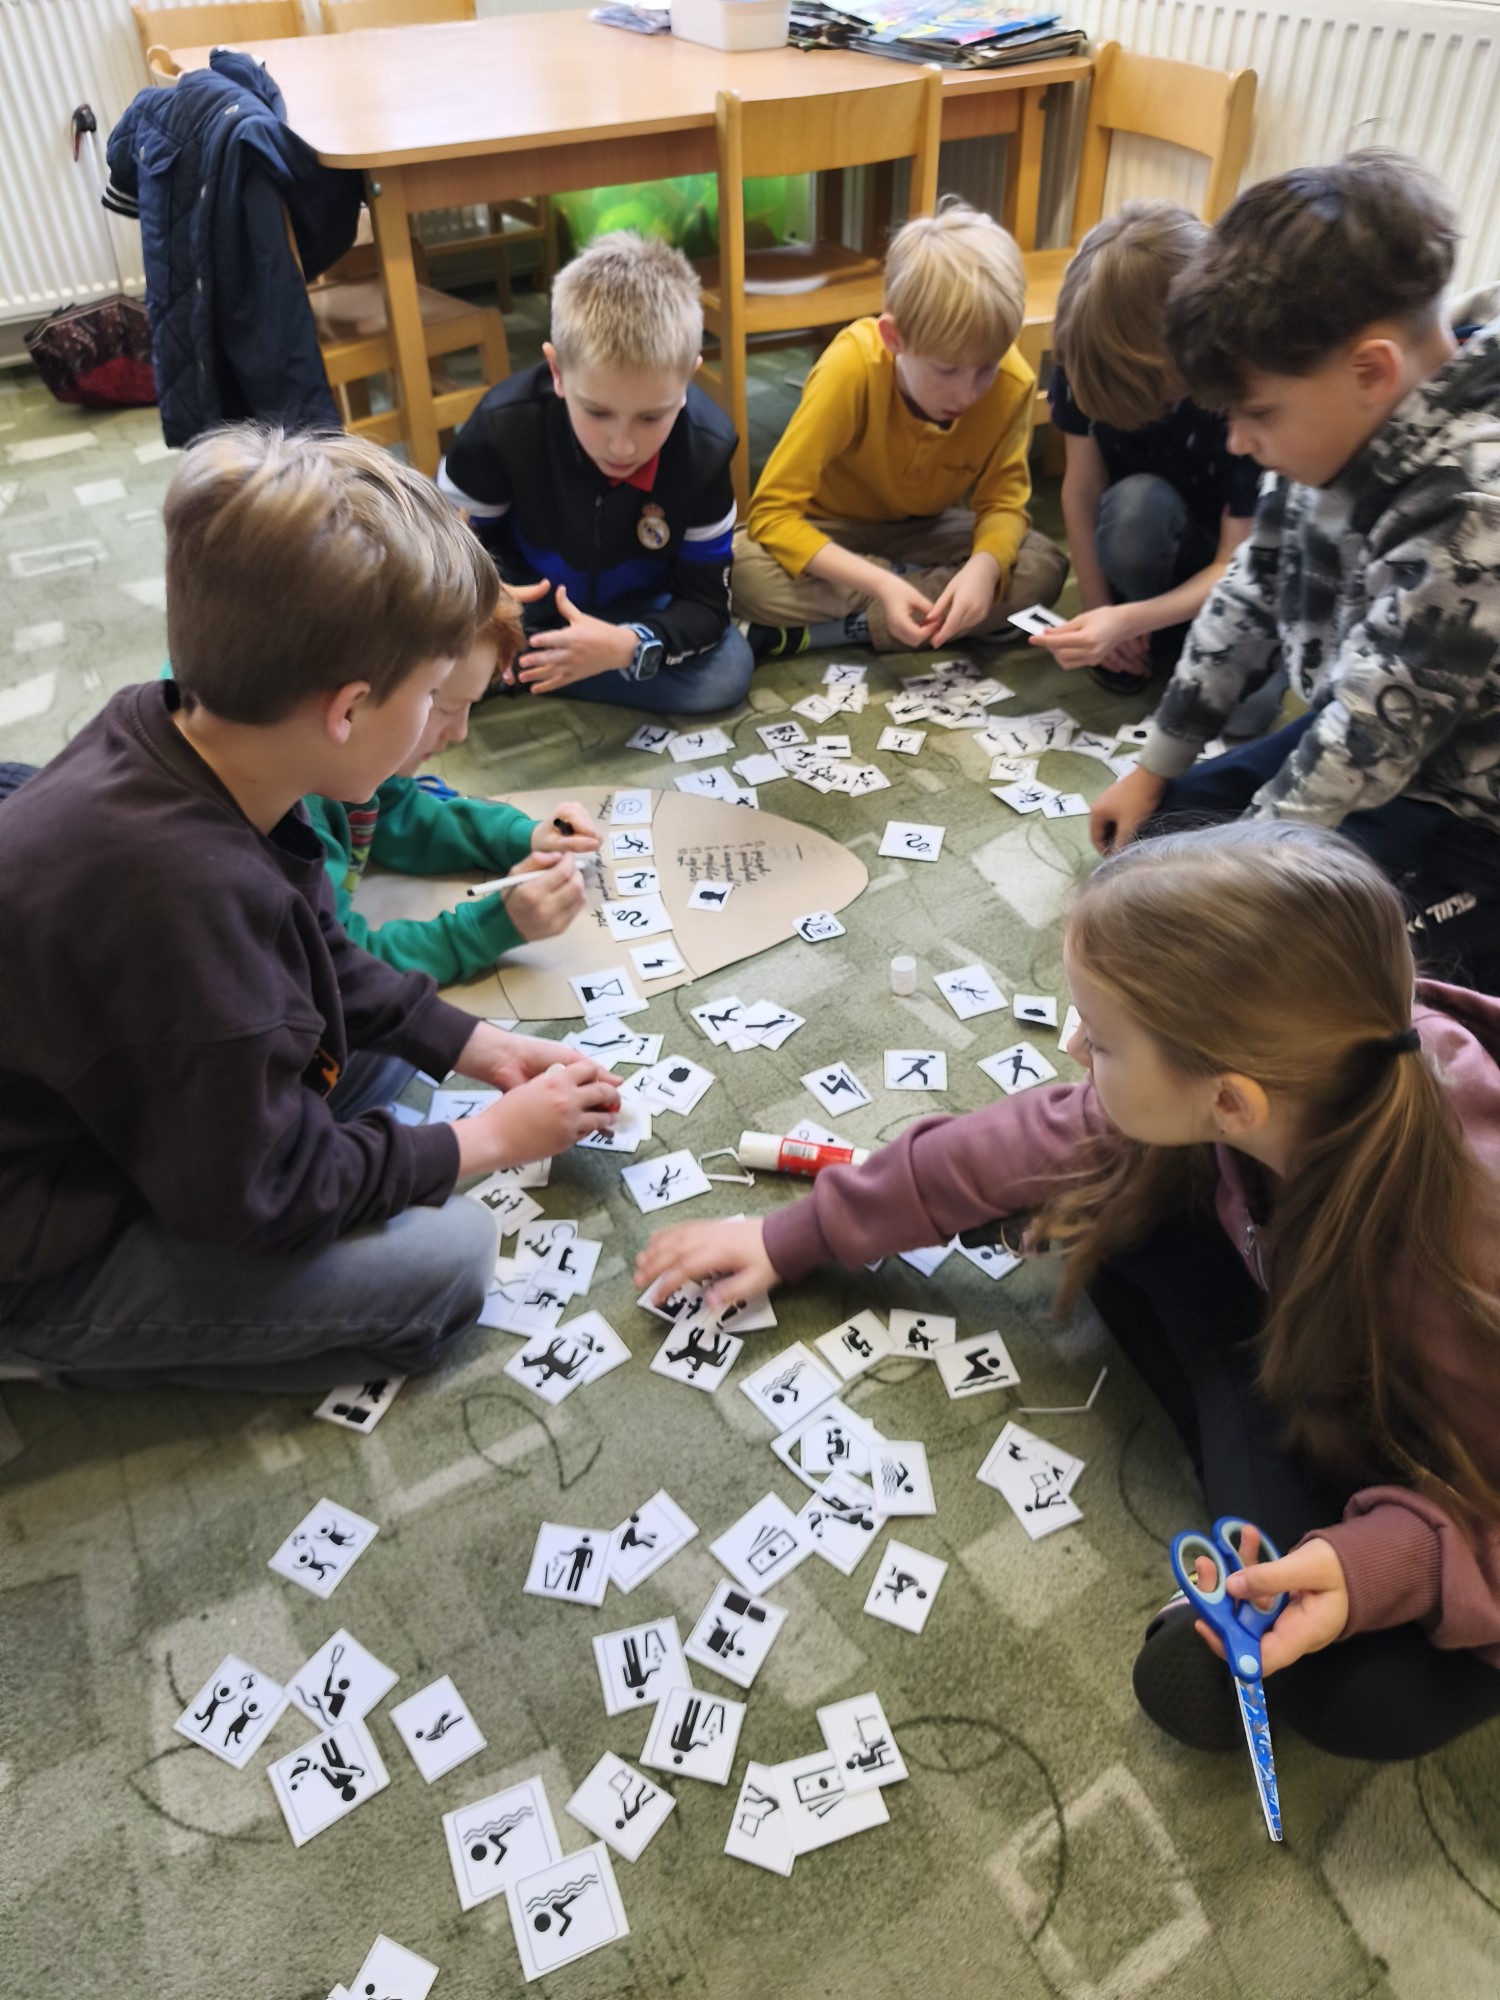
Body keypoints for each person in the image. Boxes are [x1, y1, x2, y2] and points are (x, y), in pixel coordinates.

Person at [637, 822, 1500, 1762]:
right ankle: (1264, 1519)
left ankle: (1276, 1545)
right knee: (1117, 1193)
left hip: (1464, 1472)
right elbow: (1030, 1136)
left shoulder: (1458, 1263)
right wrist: (793, 1234)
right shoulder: (1323, 1057)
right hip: (1335, 1333)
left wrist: (1382, 1565)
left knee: (1361, 1701)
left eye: (1107, 1040)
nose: (1078, 1043)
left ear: (1230, 1101)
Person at [0, 426, 619, 1394]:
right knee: (450, 1261)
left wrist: (478, 1047)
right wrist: (488, 1139)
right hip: (41, 1238)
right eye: (432, 694)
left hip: (137, 1086)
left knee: (381, 1043)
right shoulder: (184, 907)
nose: (441, 728)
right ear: (348, 710)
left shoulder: (183, 727)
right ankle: (44, 1341)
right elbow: (266, 1193)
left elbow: (318, 947)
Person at [1089, 152, 1500, 994]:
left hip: (1468, 814)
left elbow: (1364, 740)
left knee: (1305, 976)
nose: (1238, 442)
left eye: (1258, 413)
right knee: (1159, 842)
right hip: (1367, 733)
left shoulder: (1473, 510)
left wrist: (1245, 888)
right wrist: (1157, 764)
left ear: (1371, 373)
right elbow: (1247, 591)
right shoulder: (1327, 428)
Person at [730, 199, 1068, 658]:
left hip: (925, 533)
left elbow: (1004, 505)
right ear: (894, 338)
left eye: (986, 367)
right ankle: (930, 607)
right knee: (740, 570)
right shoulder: (851, 367)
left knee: (1042, 564)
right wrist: (881, 583)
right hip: (830, 529)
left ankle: (835, 630)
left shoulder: (1011, 384)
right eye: (947, 370)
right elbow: (772, 515)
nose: (967, 393)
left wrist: (984, 568)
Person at [437, 232, 753, 714]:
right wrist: (487, 601)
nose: (622, 446)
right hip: (519, 612)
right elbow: (439, 558)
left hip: (635, 613)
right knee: (422, 641)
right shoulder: (502, 426)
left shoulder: (706, 450)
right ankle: (541, 663)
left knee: (726, 672)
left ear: (688, 378)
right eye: (597, 412)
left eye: (651, 417)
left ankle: (526, 671)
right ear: (558, 371)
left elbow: (706, 605)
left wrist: (629, 645)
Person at [1029, 200, 1276, 721]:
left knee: (1246, 714)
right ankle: (1151, 631)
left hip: (1234, 565)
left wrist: (1128, 622)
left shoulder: (1237, 396)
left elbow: (1234, 563)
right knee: (1138, 508)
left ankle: (1165, 631)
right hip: (1145, 538)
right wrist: (1099, 608)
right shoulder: (1085, 356)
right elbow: (1081, 489)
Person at [305, 587, 602, 986]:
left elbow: (397, 814)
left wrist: (526, 837)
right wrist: (488, 928)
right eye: (441, 705)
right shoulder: (293, 824)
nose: (461, 733)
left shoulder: (354, 766)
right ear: (352, 703)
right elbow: (336, 971)